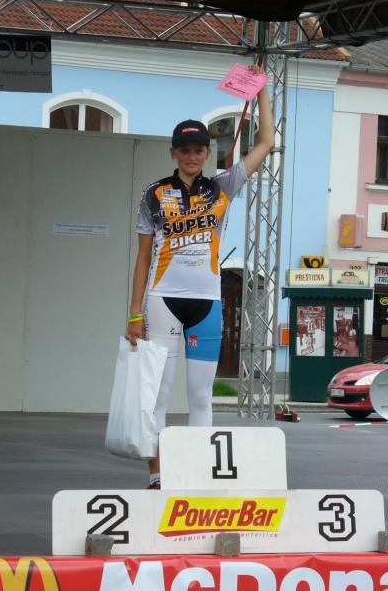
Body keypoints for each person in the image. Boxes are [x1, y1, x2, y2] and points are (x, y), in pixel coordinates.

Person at [124, 65, 274, 489]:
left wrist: (261, 91)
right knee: (159, 393)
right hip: (162, 300)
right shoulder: (154, 194)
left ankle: (197, 475)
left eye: (199, 149)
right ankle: (156, 475)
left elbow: (266, 141)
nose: (192, 156)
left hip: (207, 304)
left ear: (208, 153)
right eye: (184, 149)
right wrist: (134, 313)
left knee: (201, 396)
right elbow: (141, 258)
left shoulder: (223, 186)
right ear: (173, 152)